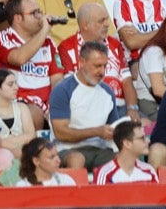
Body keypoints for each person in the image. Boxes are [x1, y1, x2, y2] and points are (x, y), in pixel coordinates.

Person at [47, 41, 122, 170]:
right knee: (76, 159)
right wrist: (97, 131)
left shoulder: (107, 92)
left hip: (101, 150)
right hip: (67, 149)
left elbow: (114, 127)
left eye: (105, 66)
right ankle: (73, 191)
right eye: (97, 66)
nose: (102, 72)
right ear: (81, 62)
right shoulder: (63, 89)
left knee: (124, 159)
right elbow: (61, 133)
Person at [94, 119, 158, 185]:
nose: (148, 140)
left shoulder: (149, 170)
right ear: (127, 143)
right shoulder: (105, 173)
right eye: (142, 138)